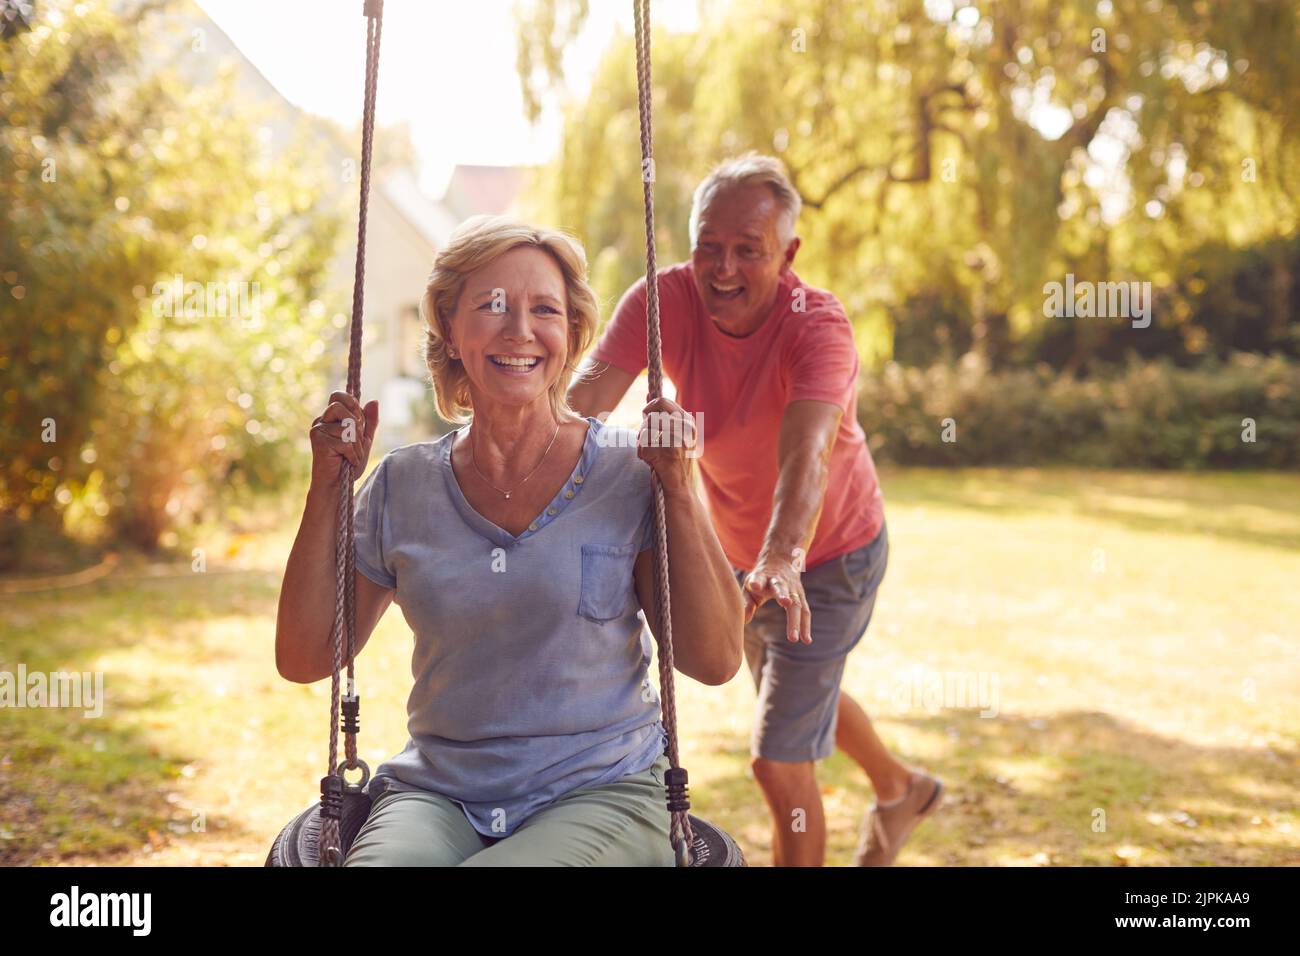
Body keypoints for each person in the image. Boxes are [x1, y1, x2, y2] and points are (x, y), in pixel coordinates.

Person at [275, 215, 743, 866]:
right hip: (438, 793)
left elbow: (716, 659)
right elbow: (304, 657)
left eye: (543, 309)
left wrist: (681, 491)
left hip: (602, 789)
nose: (520, 330)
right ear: (450, 327)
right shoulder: (402, 487)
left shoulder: (630, 473)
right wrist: (327, 486)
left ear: (572, 332)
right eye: (492, 306)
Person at [568, 153, 942, 867]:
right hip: (738, 556)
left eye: (749, 250)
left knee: (776, 760)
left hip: (828, 557)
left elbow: (809, 454)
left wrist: (781, 557)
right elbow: (584, 404)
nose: (724, 268)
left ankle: (894, 796)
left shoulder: (817, 326)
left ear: (789, 253)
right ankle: (902, 790)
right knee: (795, 695)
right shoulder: (663, 300)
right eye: (709, 247)